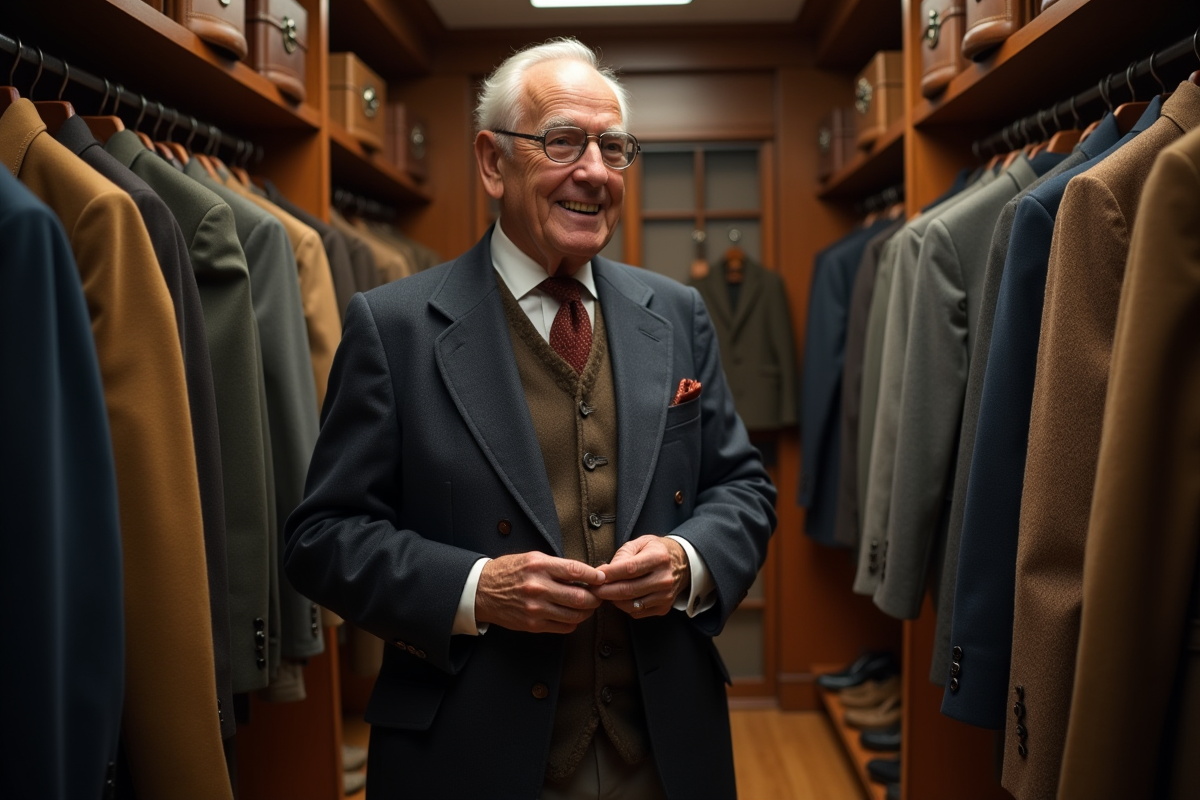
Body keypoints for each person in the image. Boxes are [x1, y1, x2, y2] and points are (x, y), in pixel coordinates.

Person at [284, 37, 776, 800]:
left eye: (613, 149)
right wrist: (479, 588)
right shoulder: (396, 327)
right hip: (470, 754)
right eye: (562, 141)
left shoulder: (677, 313)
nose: (593, 171)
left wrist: (689, 561)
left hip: (668, 751)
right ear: (492, 162)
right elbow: (322, 539)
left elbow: (743, 488)